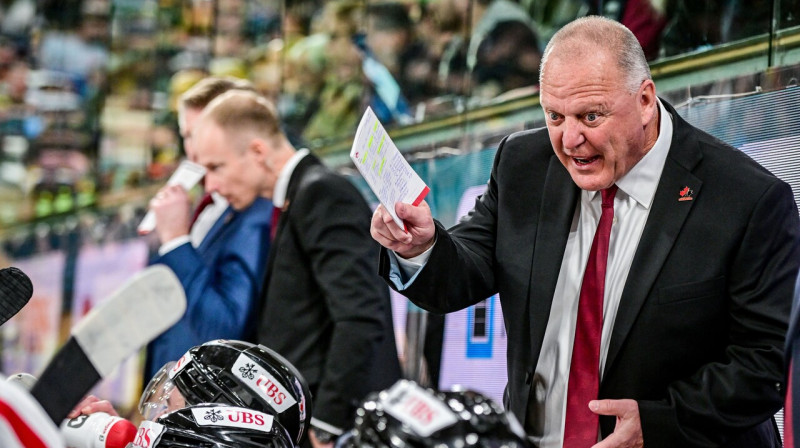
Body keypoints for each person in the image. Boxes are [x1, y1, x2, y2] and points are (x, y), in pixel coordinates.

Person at [371, 15, 800, 448]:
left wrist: (659, 423)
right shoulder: (525, 164)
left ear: (646, 100)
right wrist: (421, 247)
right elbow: (464, 271)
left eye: (590, 116)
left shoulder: (748, 199)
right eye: (554, 115)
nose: (569, 139)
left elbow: (760, 368)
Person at [191, 89, 402, 448]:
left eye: (216, 167)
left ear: (258, 151)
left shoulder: (321, 193)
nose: (209, 185)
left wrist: (327, 424)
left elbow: (361, 316)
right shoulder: (299, 197)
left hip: (337, 429)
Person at [144, 76, 273, 380]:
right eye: (187, 136)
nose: (195, 152)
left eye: (201, 135)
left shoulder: (254, 212)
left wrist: (176, 242)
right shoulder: (205, 206)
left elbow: (224, 329)